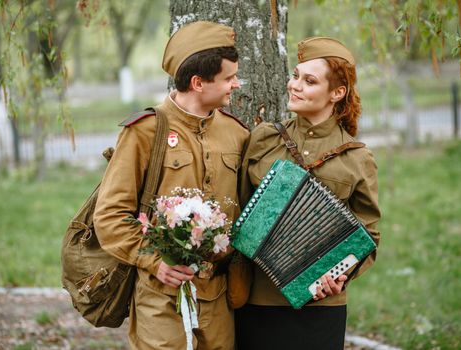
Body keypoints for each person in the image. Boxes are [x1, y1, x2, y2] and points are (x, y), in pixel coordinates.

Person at [93, 21, 249, 350]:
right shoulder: (146, 131)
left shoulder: (237, 133)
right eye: (228, 77)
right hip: (160, 297)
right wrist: (156, 262)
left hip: (219, 299)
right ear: (197, 82)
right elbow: (109, 215)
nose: (236, 84)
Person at [234, 37, 381, 349]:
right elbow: (239, 209)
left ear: (337, 93)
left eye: (309, 81)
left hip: (321, 305)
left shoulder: (357, 158)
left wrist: (343, 273)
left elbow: (368, 233)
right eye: (295, 75)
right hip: (258, 300)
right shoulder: (264, 139)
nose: (295, 86)